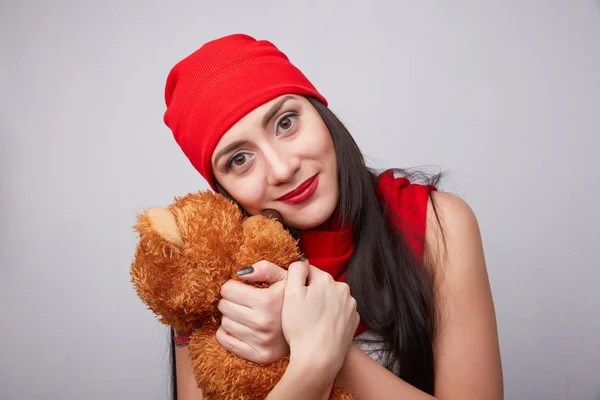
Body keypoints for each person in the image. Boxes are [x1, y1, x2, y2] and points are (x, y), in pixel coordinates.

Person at [161, 33, 503, 399]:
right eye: (239, 160)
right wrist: (310, 365)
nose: (281, 168)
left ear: (320, 113)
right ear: (223, 190)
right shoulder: (207, 275)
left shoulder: (438, 225)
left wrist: (319, 344)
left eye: (286, 122)